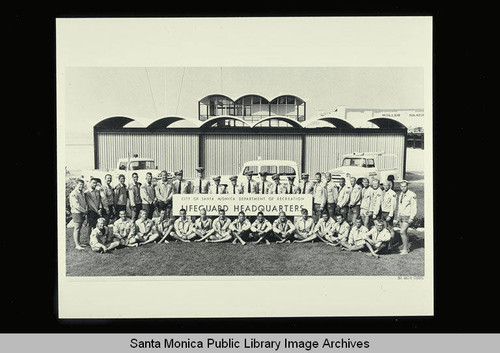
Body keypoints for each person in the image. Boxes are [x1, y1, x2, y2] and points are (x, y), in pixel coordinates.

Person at [397, 180, 417, 254]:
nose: (403, 188)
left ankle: (405, 250)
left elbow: (414, 207)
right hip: (401, 216)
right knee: (404, 232)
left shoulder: (412, 195)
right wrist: (398, 215)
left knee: (402, 232)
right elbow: (400, 206)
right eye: (402, 186)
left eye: (404, 186)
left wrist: (411, 218)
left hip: (407, 216)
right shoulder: (401, 194)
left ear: (407, 186)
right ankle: (406, 248)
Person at [69, 179, 88, 250]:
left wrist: (85, 210)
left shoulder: (81, 192)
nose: (81, 186)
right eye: (80, 184)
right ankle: (77, 245)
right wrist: (84, 211)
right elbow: (76, 205)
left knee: (79, 228)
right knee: (77, 228)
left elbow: (84, 202)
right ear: (76, 185)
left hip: (82, 212)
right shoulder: (74, 193)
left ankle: (79, 243)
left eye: (82, 185)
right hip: (77, 212)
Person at [381, 179, 397, 248]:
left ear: (389, 186)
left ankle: (391, 244)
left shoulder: (392, 193)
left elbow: (393, 206)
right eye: (384, 185)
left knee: (390, 228)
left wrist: (390, 215)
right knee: (385, 228)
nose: (385, 187)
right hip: (383, 212)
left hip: (388, 213)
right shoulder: (383, 192)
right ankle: (386, 244)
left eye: (387, 185)